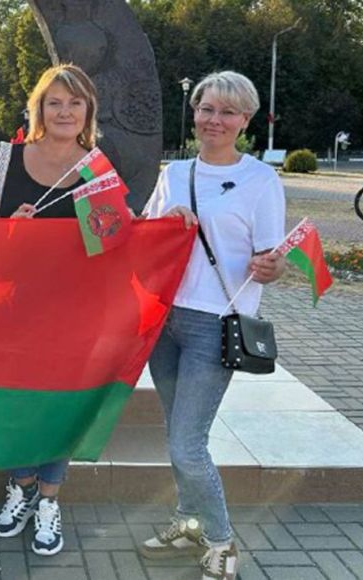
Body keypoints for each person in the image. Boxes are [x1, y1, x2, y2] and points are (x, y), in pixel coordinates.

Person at [140, 71, 285, 580]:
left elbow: (271, 259)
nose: (214, 120)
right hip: (165, 319)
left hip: (215, 323)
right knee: (177, 433)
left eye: (227, 112)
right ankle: (188, 522)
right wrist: (165, 222)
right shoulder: (174, 173)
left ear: (245, 120)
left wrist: (270, 267)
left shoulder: (260, 180)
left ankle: (222, 542)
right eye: (206, 109)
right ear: (194, 112)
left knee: (187, 443)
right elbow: (144, 235)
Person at [0, 63, 100, 555]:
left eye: (75, 102)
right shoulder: (7, 159)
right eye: (55, 102)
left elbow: (113, 238)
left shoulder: (96, 167)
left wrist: (168, 222)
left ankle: (49, 499)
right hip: (12, 309)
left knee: (59, 408)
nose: (65, 111)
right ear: (39, 109)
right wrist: (12, 230)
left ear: (87, 110)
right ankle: (22, 486)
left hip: (74, 313)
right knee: (15, 405)